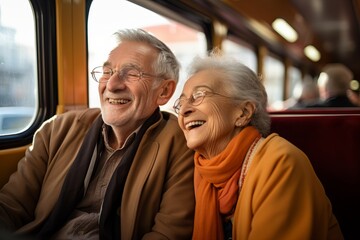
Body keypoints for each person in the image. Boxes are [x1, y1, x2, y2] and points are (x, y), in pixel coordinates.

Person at [0, 29, 195, 240]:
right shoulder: (56, 129)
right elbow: (10, 207)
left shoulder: (181, 144)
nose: (111, 85)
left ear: (164, 92)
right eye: (107, 72)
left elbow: (167, 234)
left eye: (131, 74)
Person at [173, 52, 343, 239]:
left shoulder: (281, 163)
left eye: (199, 95)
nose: (184, 110)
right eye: (181, 103)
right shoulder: (202, 169)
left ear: (243, 113)